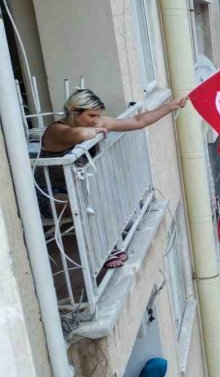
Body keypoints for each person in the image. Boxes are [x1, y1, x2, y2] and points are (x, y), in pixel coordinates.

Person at [39, 90, 185, 267]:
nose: (95, 120)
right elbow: (79, 135)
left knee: (101, 194)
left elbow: (137, 122)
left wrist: (169, 107)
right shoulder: (57, 130)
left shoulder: (92, 122)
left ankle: (110, 245)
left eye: (98, 116)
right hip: (48, 193)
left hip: (79, 187)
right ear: (74, 112)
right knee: (86, 204)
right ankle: (101, 254)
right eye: (91, 115)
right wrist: (97, 131)